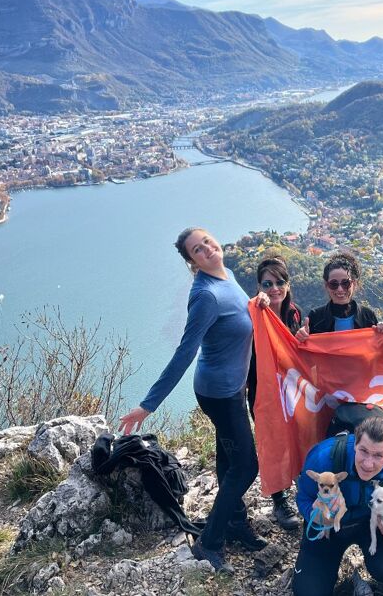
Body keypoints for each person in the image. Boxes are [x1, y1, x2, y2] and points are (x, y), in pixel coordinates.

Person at [118, 227, 265, 573]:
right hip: (220, 393)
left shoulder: (226, 275)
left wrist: (258, 303)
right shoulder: (206, 296)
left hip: (232, 387)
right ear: (191, 263)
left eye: (208, 242)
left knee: (230, 461)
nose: (208, 249)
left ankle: (236, 523)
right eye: (198, 250)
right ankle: (210, 542)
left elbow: (240, 316)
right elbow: (185, 352)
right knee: (246, 466)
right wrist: (148, 404)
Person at [293, 416, 383, 596]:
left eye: (378, 455)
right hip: (329, 525)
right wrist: (315, 515)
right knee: (308, 592)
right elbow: (303, 497)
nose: (368, 463)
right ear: (355, 443)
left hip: (372, 525)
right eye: (363, 451)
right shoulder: (324, 456)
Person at [249, 255, 302, 531]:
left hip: (291, 390)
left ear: (288, 283)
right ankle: (280, 500)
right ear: (259, 286)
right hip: (263, 391)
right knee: (271, 442)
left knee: (294, 437)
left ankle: (300, 489)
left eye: (280, 281)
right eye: (268, 283)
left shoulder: (295, 313)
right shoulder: (255, 313)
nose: (274, 288)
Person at [295, 252, 378, 340]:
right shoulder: (316, 317)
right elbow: (305, 351)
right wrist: (301, 338)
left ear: (354, 284)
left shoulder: (368, 317)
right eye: (334, 284)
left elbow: (379, 347)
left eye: (345, 283)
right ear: (326, 286)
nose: (340, 289)